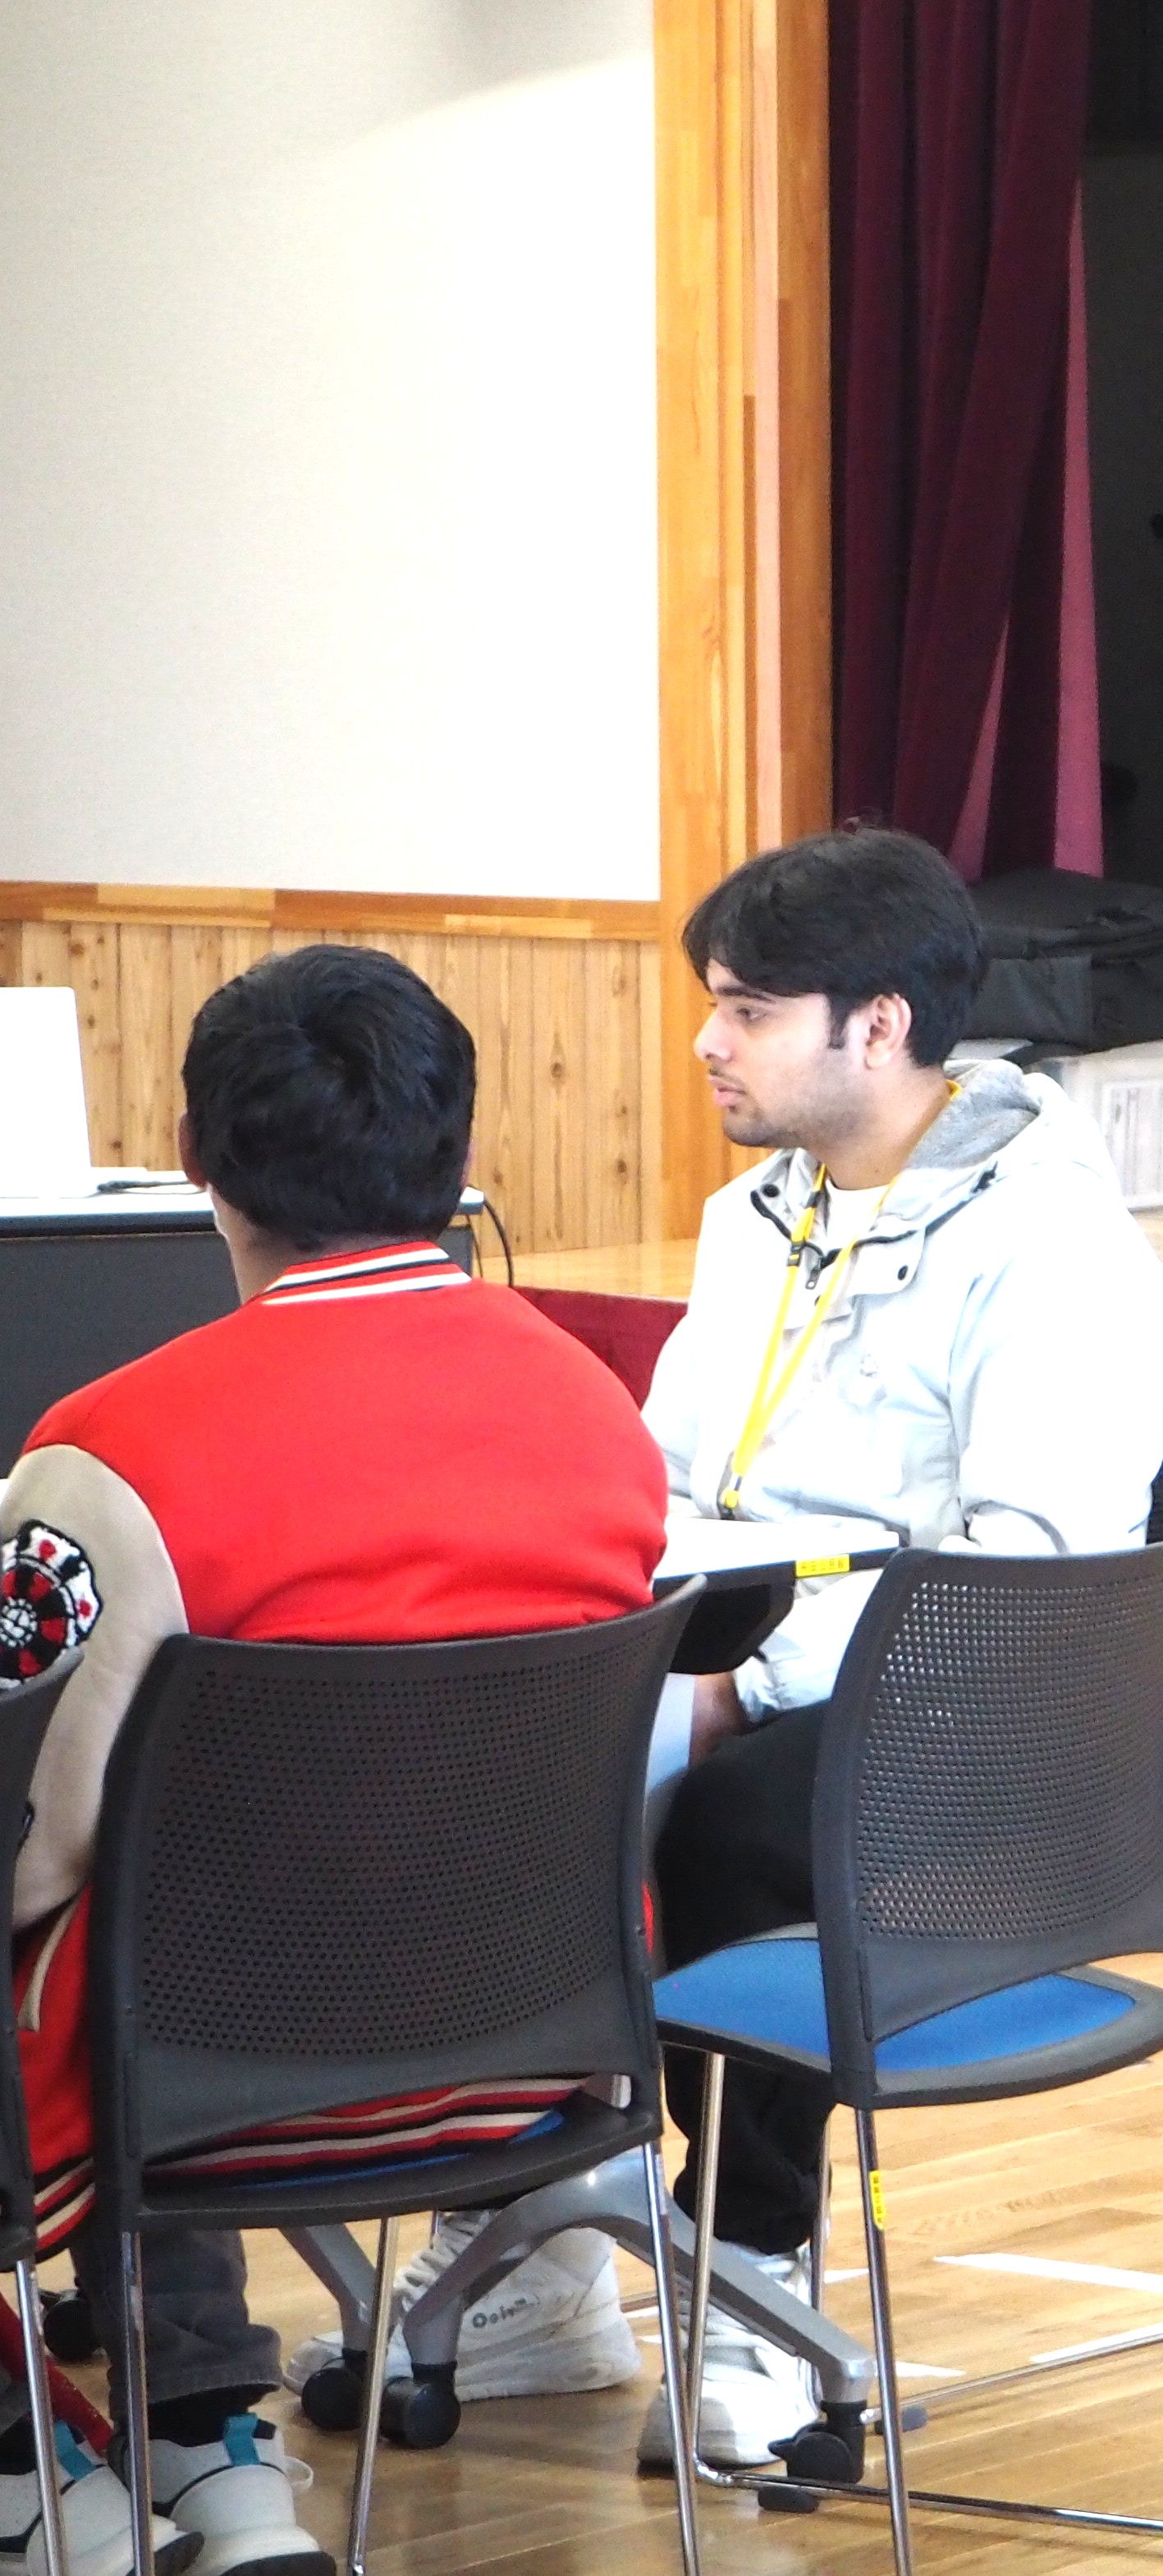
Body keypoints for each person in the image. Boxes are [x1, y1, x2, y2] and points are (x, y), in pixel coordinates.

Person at [314, 829, 1163, 2470]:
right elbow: (666, 1487)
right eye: (713, 1001)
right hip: (743, 1651)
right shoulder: (752, 1218)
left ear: (879, 1027)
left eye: (749, 1010)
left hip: (962, 1712)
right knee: (479, 1751)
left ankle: (753, 2279)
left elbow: (1021, 1572)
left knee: (726, 1823)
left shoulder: (1054, 1246)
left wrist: (747, 1684)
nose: (709, 1041)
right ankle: (540, 2245)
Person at [0, 947, 668, 2573]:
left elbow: (37, 1843)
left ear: (194, 1156)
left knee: (110, 1909)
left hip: (198, 2082)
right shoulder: (599, 1408)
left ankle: (42, 2466)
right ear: (460, 1151)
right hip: (524, 2055)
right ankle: (195, 2431)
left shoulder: (110, 1448)